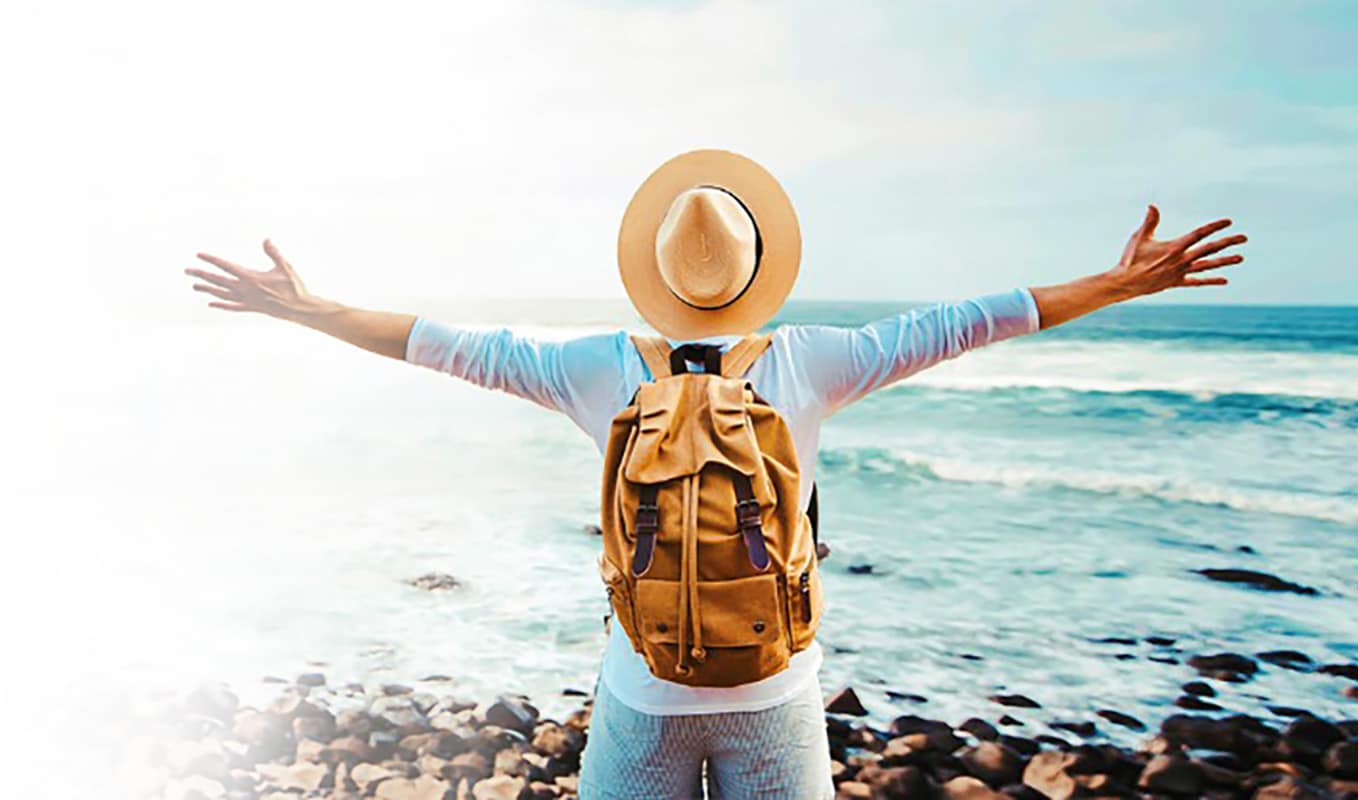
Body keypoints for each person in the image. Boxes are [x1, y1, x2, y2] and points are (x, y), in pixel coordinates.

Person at [184, 150, 1246, 799]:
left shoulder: (592, 365)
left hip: (644, 684)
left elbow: (438, 341)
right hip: (775, 681)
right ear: (755, 274)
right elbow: (968, 322)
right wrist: (1118, 281)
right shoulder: (814, 361)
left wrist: (308, 308)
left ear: (654, 279)